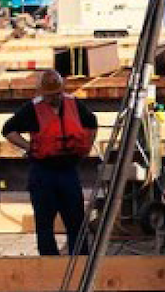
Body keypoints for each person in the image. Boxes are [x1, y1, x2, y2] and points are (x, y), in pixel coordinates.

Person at [2, 68, 97, 255]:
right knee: (44, 222)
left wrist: (85, 147)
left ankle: (79, 260)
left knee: (76, 221)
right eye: (49, 95)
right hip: (43, 172)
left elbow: (91, 122)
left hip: (68, 170)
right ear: (42, 93)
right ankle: (49, 263)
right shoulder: (32, 109)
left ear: (62, 90)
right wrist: (29, 147)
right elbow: (8, 129)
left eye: (56, 94)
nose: (53, 98)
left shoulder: (74, 105)